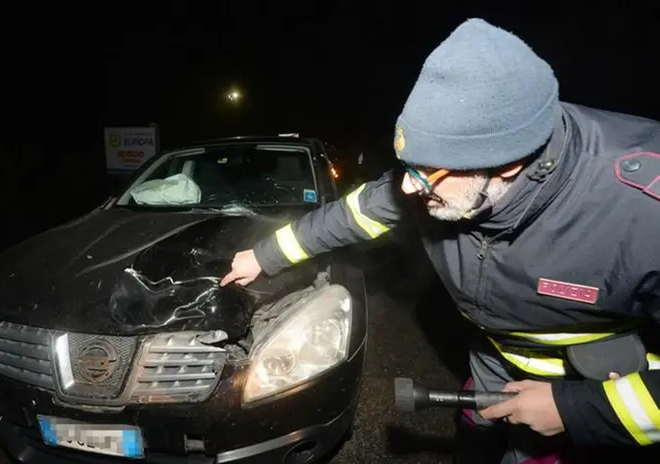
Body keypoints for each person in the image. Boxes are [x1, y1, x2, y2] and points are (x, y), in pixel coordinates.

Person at [219, 18, 660, 464]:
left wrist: (578, 410)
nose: (408, 189)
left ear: (503, 165)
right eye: (409, 166)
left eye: (427, 172)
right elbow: (353, 215)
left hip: (594, 386)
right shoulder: (435, 184)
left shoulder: (641, 209)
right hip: (492, 353)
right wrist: (265, 254)